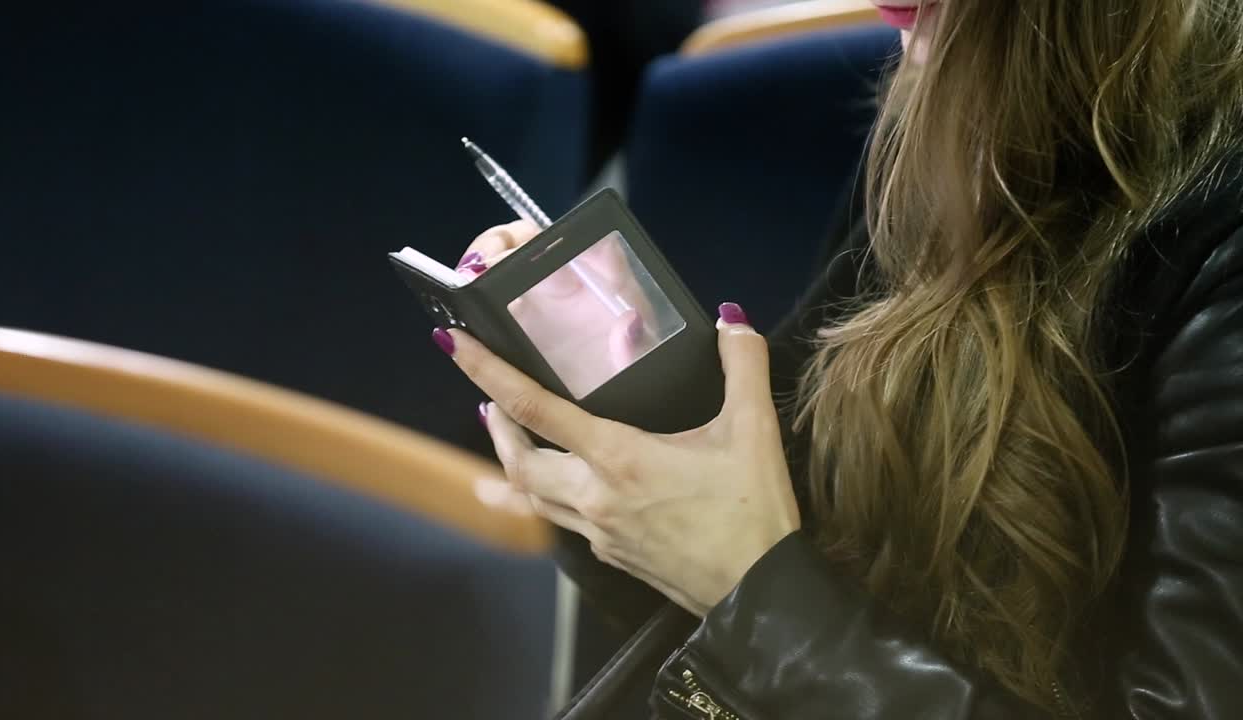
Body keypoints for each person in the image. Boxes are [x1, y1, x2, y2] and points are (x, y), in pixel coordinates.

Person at [434, 1, 1243, 716]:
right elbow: (779, 537)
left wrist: (748, 586)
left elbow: (760, 579)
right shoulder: (968, 91)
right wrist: (618, 381)